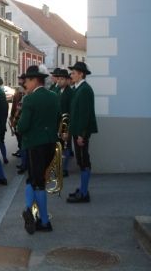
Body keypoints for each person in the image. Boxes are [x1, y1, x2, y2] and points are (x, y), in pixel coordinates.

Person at [17, 65, 60, 234]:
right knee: (34, 178)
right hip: (50, 143)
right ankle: (30, 210)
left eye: (27, 80)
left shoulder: (30, 99)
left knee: (38, 182)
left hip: (35, 145)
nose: (25, 83)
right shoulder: (54, 96)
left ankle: (43, 220)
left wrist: (19, 125)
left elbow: (23, 126)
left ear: (35, 80)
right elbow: (57, 118)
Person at [66, 62, 98, 203]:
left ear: (81, 74)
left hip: (81, 133)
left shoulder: (84, 90)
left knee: (84, 161)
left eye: (73, 73)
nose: (71, 75)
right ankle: (83, 189)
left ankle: (84, 193)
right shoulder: (79, 88)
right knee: (81, 160)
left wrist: (81, 134)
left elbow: (85, 115)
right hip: (77, 131)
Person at [55, 69, 73, 177]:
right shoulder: (57, 91)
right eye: (59, 79)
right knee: (59, 146)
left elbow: (71, 111)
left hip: (66, 123)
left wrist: (68, 128)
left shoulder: (70, 93)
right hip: (57, 123)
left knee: (66, 146)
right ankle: (59, 166)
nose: (59, 81)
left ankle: (65, 168)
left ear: (67, 80)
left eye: (62, 79)